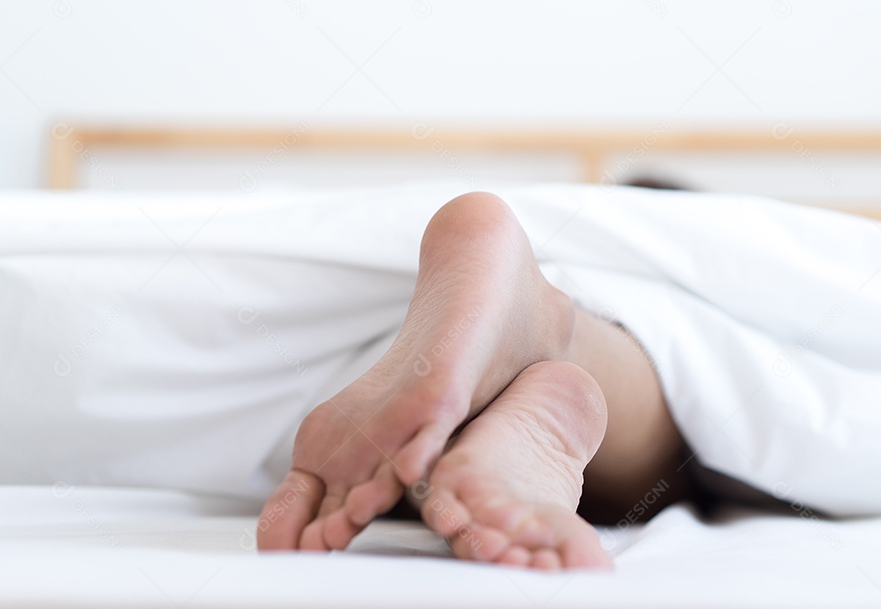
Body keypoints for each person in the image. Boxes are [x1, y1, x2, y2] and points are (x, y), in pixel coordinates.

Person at [257, 192, 689, 569]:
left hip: (409, 339)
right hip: (518, 338)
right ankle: (558, 340)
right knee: (684, 447)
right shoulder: (676, 252)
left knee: (405, 455)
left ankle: (455, 441)